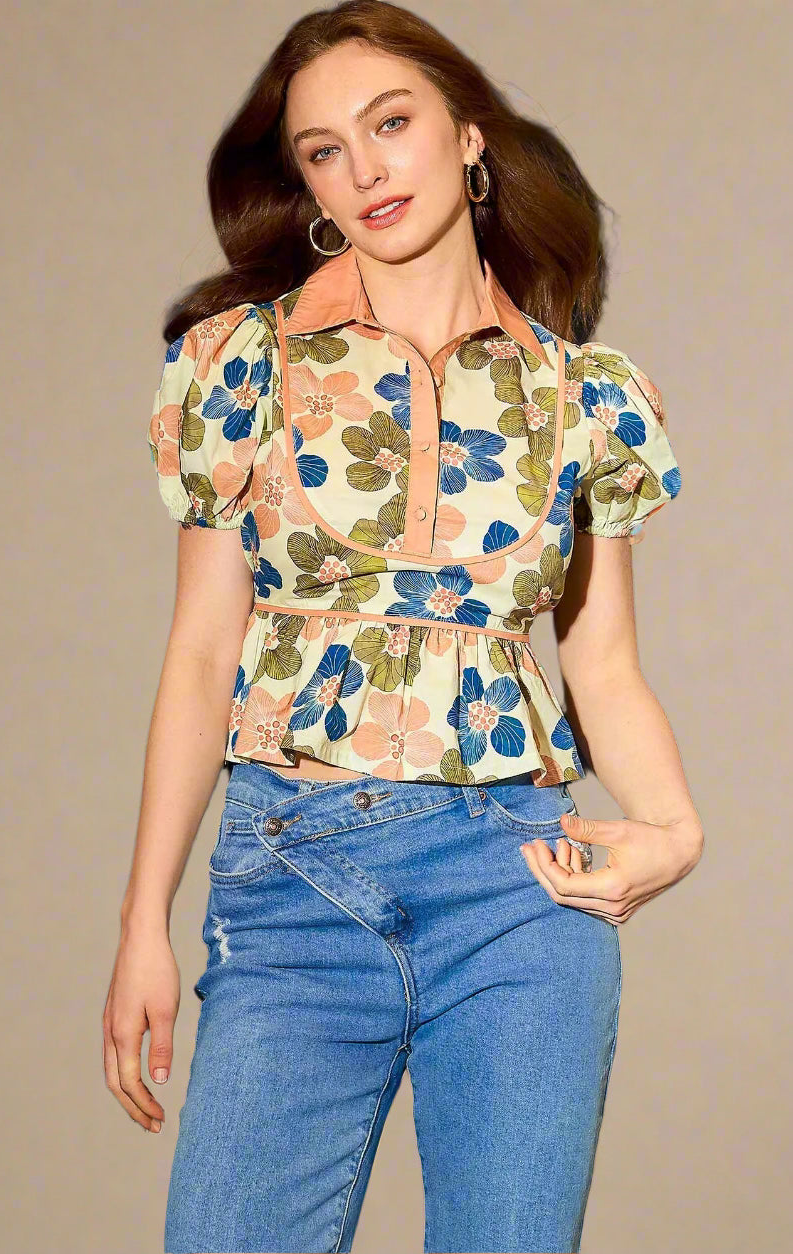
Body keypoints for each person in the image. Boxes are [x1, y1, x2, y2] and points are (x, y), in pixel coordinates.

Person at [103, 3, 703, 1250]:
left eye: (390, 124)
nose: (364, 167)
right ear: (307, 186)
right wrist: (142, 924)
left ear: (468, 137)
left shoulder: (584, 398)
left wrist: (672, 833)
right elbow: (201, 654)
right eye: (324, 149)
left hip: (518, 888)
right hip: (289, 876)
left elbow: (600, 661)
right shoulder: (242, 366)